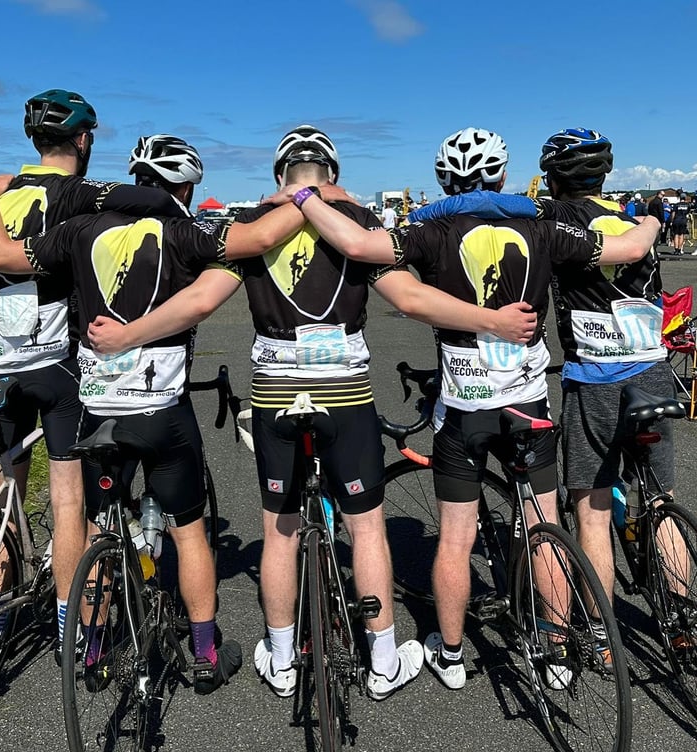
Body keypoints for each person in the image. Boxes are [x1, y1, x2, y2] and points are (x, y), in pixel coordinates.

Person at [82, 124, 538, 702]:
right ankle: (382, 660)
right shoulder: (357, 223)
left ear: (279, 177)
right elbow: (410, 298)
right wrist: (492, 321)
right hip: (346, 391)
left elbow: (199, 301)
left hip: (275, 391)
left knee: (280, 532)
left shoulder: (254, 227)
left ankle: (280, 659)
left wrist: (127, 336)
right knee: (365, 526)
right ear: (335, 175)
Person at [265, 126, 661, 693]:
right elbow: (628, 249)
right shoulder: (543, 226)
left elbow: (357, 246)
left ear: (445, 180)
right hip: (528, 401)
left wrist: (306, 194)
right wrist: (648, 219)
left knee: (455, 538)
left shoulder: (431, 229)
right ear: (502, 176)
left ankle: (450, 656)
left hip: (465, 407)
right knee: (543, 525)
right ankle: (555, 651)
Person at [0, 133, 310, 694]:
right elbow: (260, 237)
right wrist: (303, 196)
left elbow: (2, 255)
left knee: (95, 525)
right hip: (160, 409)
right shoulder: (185, 231)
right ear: (185, 188)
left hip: (96, 409)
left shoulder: (78, 230)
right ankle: (204, 651)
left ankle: (92, 649)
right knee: (190, 533)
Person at [408, 127, 674, 640]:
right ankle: (664, 626)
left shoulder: (544, 217)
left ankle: (595, 636)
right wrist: (652, 221)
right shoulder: (603, 220)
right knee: (654, 503)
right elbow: (632, 246)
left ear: (550, 178)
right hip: (646, 369)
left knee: (589, 512)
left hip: (573, 379)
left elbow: (475, 214)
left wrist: (429, 212)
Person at [0, 89, 195, 661]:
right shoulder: (75, 192)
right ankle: (71, 623)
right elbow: (152, 197)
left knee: (6, 487)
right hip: (55, 362)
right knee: (69, 498)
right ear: (82, 139)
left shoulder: (0, 195)